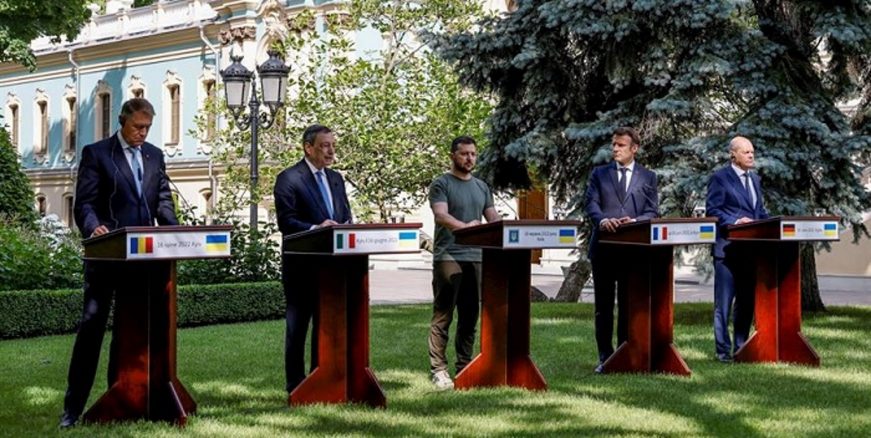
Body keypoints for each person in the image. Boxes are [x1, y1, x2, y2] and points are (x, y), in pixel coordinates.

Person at [60, 98, 178, 428]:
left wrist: (174, 231)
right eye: (137, 127)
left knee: (131, 332)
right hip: (107, 256)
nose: (142, 133)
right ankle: (72, 410)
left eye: (147, 128)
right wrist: (93, 227)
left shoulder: (155, 155)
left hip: (144, 262)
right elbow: (84, 203)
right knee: (92, 330)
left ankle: (121, 398)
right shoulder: (97, 154)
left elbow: (162, 200)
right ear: (122, 122)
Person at [273, 124, 352, 394]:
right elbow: (286, 222)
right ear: (309, 147)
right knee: (298, 328)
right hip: (301, 267)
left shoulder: (336, 179)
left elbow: (344, 216)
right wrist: (315, 229)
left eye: (333, 145)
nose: (331, 151)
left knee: (327, 324)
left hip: (334, 267)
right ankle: (296, 385)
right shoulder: (288, 178)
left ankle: (323, 377)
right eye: (325, 145)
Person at [584, 126, 659, 373]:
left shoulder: (648, 177)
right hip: (604, 247)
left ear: (634, 149)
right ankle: (605, 358)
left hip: (633, 251)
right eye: (613, 144)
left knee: (629, 305)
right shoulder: (600, 174)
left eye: (620, 145)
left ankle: (625, 353)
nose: (615, 149)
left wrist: (635, 222)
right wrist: (602, 220)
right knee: (603, 307)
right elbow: (591, 203)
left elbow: (652, 211)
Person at [428, 136, 500, 390]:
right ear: (453, 156)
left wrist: (507, 228)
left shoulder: (481, 187)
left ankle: (465, 367)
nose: (469, 158)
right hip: (449, 256)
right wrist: (466, 228)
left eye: (473, 154)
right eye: (464, 154)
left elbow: (492, 218)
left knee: (470, 316)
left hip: (477, 257)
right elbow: (441, 215)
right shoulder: (441, 183)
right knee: (444, 314)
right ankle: (438, 370)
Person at [706, 136, 769, 363]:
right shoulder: (720, 178)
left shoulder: (755, 179)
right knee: (723, 304)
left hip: (750, 252)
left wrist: (770, 224)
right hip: (727, 251)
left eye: (752, 151)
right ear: (734, 155)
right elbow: (713, 210)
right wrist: (735, 221)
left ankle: (741, 348)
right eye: (746, 152)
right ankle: (722, 352)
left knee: (746, 302)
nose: (751, 155)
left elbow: (759, 212)